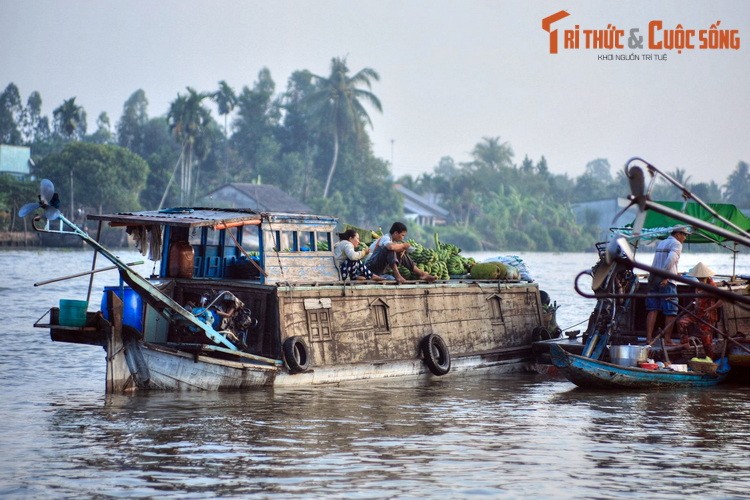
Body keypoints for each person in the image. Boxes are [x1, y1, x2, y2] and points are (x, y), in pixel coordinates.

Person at [645, 225, 691, 344]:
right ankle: (667, 339)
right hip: (666, 280)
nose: (685, 238)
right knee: (671, 310)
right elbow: (671, 259)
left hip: (653, 278)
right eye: (684, 235)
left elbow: (657, 261)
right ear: (677, 234)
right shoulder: (676, 244)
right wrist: (665, 276)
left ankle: (649, 338)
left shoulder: (662, 243)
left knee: (652, 309)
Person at [366, 222, 436, 284]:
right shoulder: (386, 238)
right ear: (396, 233)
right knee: (391, 249)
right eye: (402, 235)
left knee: (400, 252)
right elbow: (390, 247)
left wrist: (402, 250)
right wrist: (403, 245)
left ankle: (421, 274)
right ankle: (397, 275)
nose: (403, 238)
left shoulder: (392, 240)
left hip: (378, 270)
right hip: (370, 267)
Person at [677, 262, 722, 358]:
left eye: (701, 278)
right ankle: (685, 342)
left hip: (707, 317)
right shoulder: (698, 285)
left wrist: (710, 309)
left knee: (706, 340)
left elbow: (722, 300)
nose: (699, 280)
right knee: (681, 322)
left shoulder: (712, 286)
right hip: (696, 313)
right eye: (698, 278)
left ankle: (710, 359)